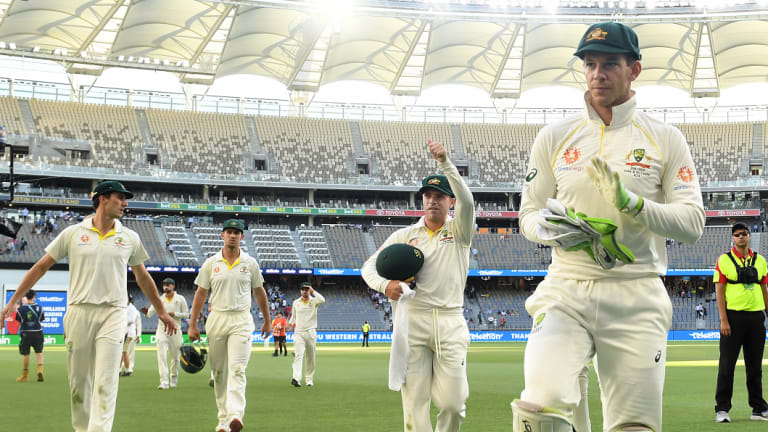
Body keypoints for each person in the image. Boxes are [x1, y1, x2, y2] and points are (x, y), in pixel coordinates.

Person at [513, 22, 705, 432]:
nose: (597, 74)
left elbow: (692, 223)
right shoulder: (555, 136)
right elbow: (527, 214)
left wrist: (631, 204)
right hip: (566, 288)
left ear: (634, 69)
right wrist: (555, 228)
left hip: (637, 293)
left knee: (633, 427)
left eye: (610, 64)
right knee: (539, 406)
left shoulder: (665, 139)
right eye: (590, 63)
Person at [0, 180, 177, 432]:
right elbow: (40, 267)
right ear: (103, 199)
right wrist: (14, 299)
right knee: (79, 383)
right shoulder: (72, 233)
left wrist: (160, 310)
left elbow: (142, 276)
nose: (125, 203)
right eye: (120, 198)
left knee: (106, 380)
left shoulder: (130, 237)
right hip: (78, 312)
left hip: (113, 313)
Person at [362, 138, 475, 432]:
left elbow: (469, 201)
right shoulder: (405, 234)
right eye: (427, 195)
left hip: (450, 321)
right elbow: (368, 267)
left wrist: (445, 163)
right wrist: (385, 286)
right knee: (414, 406)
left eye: (439, 195)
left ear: (451, 202)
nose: (432, 200)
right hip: (413, 321)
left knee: (453, 403)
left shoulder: (460, 231)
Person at [188, 219, 271, 432]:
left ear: (242, 237)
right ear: (222, 235)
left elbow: (259, 292)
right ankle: (223, 419)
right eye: (229, 232)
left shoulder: (250, 263)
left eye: (237, 232)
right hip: (217, 318)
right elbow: (201, 293)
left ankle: (235, 415)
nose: (232, 235)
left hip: (241, 320)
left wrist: (267, 320)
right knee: (218, 372)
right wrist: (193, 324)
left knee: (237, 369)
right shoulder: (211, 263)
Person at [713, 222, 768, 423]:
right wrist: (723, 320)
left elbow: (764, 289)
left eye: (744, 234)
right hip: (733, 318)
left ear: (749, 236)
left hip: (756, 318)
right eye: (737, 235)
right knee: (727, 365)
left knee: (755, 367)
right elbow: (719, 290)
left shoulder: (760, 260)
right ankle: (722, 409)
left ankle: (758, 409)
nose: (741, 237)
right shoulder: (724, 260)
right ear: (733, 238)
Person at [141, 277, 188, 389]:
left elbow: (186, 314)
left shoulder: (180, 299)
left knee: (175, 357)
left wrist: (175, 314)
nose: (165, 286)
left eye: (168, 284)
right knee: (161, 355)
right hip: (162, 330)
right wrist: (145, 312)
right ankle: (164, 382)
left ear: (173, 286)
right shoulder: (159, 299)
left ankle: (174, 377)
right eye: (164, 285)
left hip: (175, 331)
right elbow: (149, 313)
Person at [289, 281, 325, 388]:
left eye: (307, 289)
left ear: (309, 290)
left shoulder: (314, 301)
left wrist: (313, 291)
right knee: (298, 355)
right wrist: (289, 325)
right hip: (298, 332)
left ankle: (309, 379)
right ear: (300, 291)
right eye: (303, 289)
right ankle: (296, 378)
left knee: (311, 357)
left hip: (310, 332)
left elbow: (323, 300)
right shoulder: (296, 302)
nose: (305, 291)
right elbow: (293, 317)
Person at [14, 289, 45, 382]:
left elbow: (19, 322)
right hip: (38, 332)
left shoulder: (21, 309)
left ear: (25, 297)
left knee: (26, 354)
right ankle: (40, 370)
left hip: (26, 333)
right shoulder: (40, 308)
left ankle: (25, 375)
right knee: (39, 353)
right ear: (34, 296)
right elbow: (41, 320)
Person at [120, 295, 142, 377]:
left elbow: (137, 323)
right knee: (124, 352)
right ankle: (125, 368)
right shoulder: (125, 308)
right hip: (125, 333)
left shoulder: (133, 309)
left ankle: (128, 368)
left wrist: (139, 335)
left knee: (127, 352)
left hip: (129, 333)